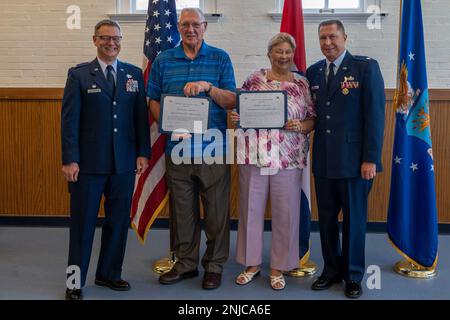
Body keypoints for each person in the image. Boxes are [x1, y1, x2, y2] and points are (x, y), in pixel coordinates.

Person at [61, 19, 151, 300]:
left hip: (123, 164)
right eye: (105, 38)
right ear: (94, 40)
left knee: (117, 223)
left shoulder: (133, 74)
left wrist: (142, 153)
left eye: (116, 38)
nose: (111, 43)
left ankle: (109, 274)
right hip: (87, 166)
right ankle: (74, 282)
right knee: (82, 225)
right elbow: (69, 121)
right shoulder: (79, 76)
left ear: (121, 41)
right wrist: (70, 159)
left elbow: (140, 119)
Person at [147, 8, 236, 290]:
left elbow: (231, 100)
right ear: (178, 27)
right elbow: (152, 98)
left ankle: (214, 265)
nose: (190, 29)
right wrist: (168, 123)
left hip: (214, 148)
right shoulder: (163, 60)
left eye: (195, 24)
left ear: (205, 26)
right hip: (179, 148)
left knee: (216, 212)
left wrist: (209, 88)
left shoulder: (220, 58)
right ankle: (185, 264)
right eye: (185, 24)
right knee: (183, 211)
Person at [230, 32, 316, 290]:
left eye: (288, 52)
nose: (283, 56)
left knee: (285, 212)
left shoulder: (302, 84)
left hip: (288, 158)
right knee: (250, 209)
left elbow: (313, 118)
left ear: (293, 55)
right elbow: (239, 109)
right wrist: (236, 118)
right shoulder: (254, 79)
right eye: (278, 51)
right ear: (269, 54)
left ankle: (279, 266)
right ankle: (251, 263)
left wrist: (302, 125)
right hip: (254, 155)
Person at [306, 20, 385, 298]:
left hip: (355, 163)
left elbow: (375, 117)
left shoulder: (365, 67)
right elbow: (311, 114)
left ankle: (352, 275)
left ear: (345, 37)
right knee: (326, 220)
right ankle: (331, 270)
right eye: (323, 38)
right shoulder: (314, 71)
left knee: (354, 220)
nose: (328, 42)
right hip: (324, 161)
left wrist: (370, 159)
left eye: (333, 37)